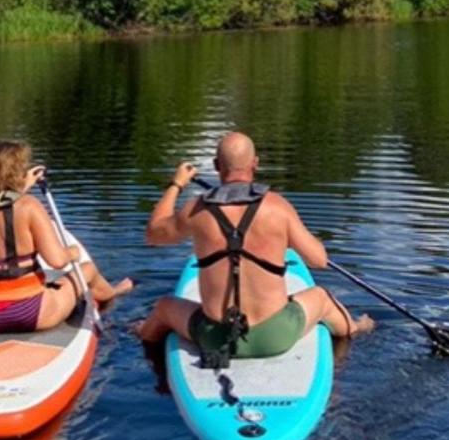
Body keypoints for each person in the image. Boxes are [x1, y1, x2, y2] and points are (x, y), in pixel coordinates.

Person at [136, 131, 373, 361]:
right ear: (255, 163)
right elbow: (319, 260)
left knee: (164, 306)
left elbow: (153, 235)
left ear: (217, 165)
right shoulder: (278, 207)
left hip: (215, 336)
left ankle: (142, 336)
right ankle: (354, 328)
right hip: (275, 335)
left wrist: (176, 185)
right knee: (322, 297)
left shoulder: (196, 210)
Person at [0, 140, 133, 338]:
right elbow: (57, 261)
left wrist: (20, 189)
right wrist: (73, 252)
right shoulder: (28, 206)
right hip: (32, 312)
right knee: (88, 269)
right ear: (16, 172)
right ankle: (112, 293)